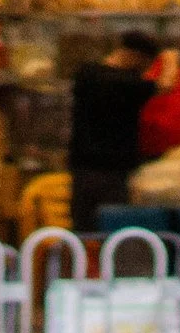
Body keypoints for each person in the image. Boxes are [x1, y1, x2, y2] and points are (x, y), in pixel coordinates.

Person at [68, 32, 159, 237]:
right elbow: (165, 86)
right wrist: (172, 59)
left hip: (82, 169)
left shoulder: (86, 74)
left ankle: (85, 267)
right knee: (113, 233)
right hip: (115, 173)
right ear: (137, 57)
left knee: (83, 232)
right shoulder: (128, 83)